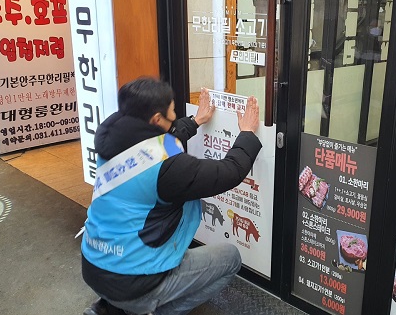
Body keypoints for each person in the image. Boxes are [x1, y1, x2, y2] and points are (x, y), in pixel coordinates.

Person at [81, 77, 262, 315]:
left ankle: (110, 308)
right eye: (172, 112)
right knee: (230, 258)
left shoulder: (113, 140)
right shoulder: (168, 169)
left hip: (94, 264)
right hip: (133, 279)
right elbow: (228, 173)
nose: (175, 115)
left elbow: (158, 143)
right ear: (156, 119)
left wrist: (196, 121)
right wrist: (247, 133)